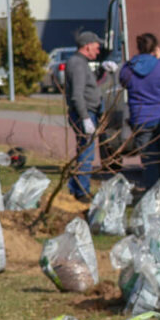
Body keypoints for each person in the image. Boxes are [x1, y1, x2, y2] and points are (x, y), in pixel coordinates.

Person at [118, 32, 160, 191]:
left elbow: (123, 81)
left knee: (149, 161)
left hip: (141, 119)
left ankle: (153, 197)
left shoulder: (128, 68)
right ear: (155, 48)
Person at [63, 31, 104, 199]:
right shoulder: (78, 64)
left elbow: (87, 83)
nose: (98, 51)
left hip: (85, 113)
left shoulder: (80, 63)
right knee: (87, 154)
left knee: (83, 151)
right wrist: (86, 118)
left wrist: (101, 70)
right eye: (96, 47)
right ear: (87, 46)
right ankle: (82, 192)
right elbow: (77, 95)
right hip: (84, 113)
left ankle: (76, 188)